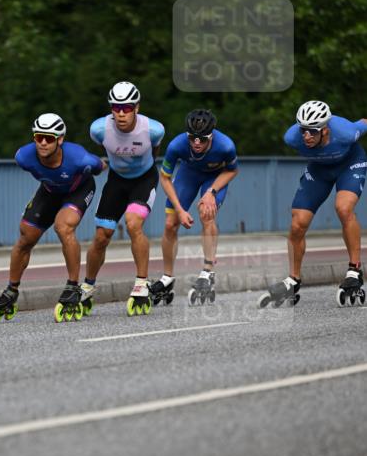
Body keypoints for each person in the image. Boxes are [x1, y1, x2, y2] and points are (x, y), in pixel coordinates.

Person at [0, 113, 106, 324]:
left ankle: (73, 286)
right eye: (39, 137)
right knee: (25, 237)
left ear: (60, 140)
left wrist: (100, 165)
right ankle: (11, 291)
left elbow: (100, 167)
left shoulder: (79, 158)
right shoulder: (23, 157)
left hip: (78, 190)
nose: (44, 143)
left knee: (63, 227)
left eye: (49, 138)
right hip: (49, 192)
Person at [259, 101, 367, 308]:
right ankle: (293, 279)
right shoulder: (292, 137)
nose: (306, 136)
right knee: (297, 223)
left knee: (343, 208)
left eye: (312, 132)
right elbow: (301, 135)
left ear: (325, 130)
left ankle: (354, 270)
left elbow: (364, 121)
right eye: (303, 130)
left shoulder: (345, 132)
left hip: (350, 163)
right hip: (320, 170)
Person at [81, 81, 165, 316]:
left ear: (136, 107)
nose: (120, 113)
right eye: (115, 107)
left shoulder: (154, 129)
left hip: (144, 180)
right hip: (117, 181)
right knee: (101, 236)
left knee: (133, 223)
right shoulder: (98, 129)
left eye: (127, 108)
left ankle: (141, 283)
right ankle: (87, 285)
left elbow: (155, 151)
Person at [150, 109, 238, 306]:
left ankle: (207, 271)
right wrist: (180, 210)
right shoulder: (176, 145)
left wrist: (211, 192)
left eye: (202, 139)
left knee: (207, 214)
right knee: (170, 224)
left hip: (215, 178)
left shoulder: (225, 146)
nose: (196, 143)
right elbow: (164, 178)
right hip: (189, 174)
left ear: (211, 136)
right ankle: (167, 278)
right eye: (192, 138)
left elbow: (232, 171)